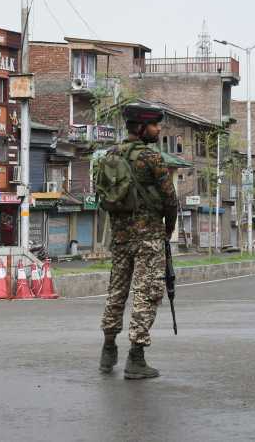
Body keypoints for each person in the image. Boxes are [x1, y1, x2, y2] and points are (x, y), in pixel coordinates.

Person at [97, 103, 178, 380]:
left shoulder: (110, 155)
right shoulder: (151, 158)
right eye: (155, 125)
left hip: (120, 238)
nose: (158, 129)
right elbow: (170, 199)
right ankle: (136, 358)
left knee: (116, 292)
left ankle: (108, 350)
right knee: (146, 294)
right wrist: (168, 229)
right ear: (142, 128)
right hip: (148, 239)